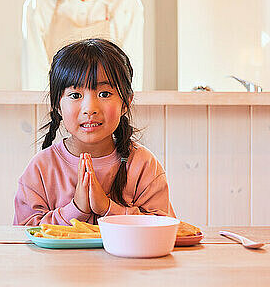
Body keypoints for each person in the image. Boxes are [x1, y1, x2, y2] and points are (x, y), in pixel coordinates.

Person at [14, 39, 174, 225]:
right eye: (75, 95)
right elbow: (23, 234)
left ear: (126, 103)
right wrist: (76, 209)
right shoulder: (41, 168)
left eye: (104, 94)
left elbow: (164, 227)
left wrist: (108, 208)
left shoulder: (143, 165)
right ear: (57, 105)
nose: (90, 108)